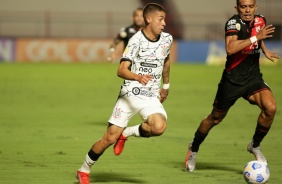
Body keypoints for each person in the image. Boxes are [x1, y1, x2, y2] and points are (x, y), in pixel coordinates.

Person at [77, 3, 173, 184]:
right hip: (130, 95)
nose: (164, 23)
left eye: (165, 19)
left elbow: (166, 60)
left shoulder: (167, 39)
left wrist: (166, 85)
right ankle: (84, 169)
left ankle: (127, 133)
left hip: (151, 95)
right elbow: (121, 70)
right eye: (161, 19)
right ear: (149, 19)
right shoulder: (136, 40)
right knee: (109, 139)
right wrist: (138, 77)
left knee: (159, 127)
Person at [185, 0, 280, 172]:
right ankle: (194, 147)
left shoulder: (260, 20)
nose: (247, 10)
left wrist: (263, 49)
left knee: (270, 108)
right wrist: (255, 38)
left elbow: (259, 37)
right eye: (243, 7)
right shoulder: (233, 23)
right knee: (215, 118)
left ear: (255, 7)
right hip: (232, 81)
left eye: (250, 7)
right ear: (237, 8)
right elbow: (230, 48)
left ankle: (255, 145)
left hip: (252, 78)